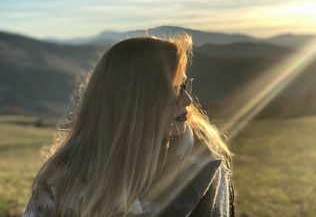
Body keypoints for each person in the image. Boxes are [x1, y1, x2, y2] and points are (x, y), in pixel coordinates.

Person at [23, 34, 235, 216]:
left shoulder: (205, 173)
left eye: (184, 86)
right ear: (133, 104)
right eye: (175, 90)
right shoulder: (60, 181)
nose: (188, 100)